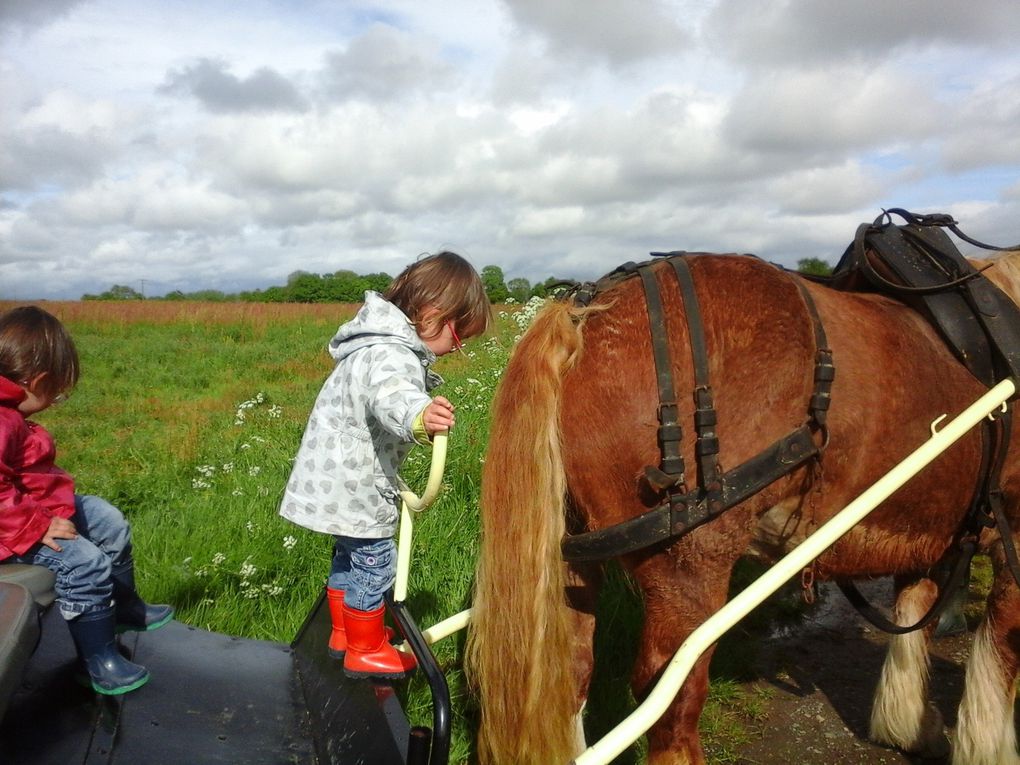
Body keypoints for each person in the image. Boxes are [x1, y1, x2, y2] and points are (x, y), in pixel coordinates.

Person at [280, 251, 492, 680]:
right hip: (358, 481)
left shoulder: (371, 342)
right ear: (433, 314)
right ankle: (364, 646)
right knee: (376, 560)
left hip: (335, 478)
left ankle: (344, 630)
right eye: (458, 334)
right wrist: (420, 416)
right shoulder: (393, 354)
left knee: (350, 555)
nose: (457, 347)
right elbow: (393, 394)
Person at [0, 306, 173, 695]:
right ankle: (97, 661)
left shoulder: (10, 411)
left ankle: (124, 606)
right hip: (11, 530)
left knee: (107, 519)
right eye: (57, 393)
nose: (57, 399)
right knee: (83, 561)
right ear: (38, 381)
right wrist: (38, 525)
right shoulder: (2, 419)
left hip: (29, 508)